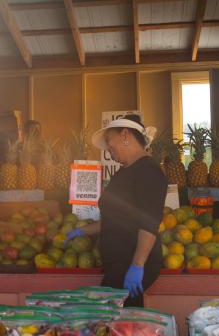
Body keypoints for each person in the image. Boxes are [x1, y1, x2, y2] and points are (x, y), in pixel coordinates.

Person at [66, 114, 168, 307]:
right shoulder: (124, 172)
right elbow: (117, 218)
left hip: (132, 263)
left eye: (108, 140)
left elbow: (149, 223)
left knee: (113, 318)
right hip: (119, 264)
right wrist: (81, 231)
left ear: (125, 134)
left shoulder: (149, 171)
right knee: (121, 321)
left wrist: (137, 266)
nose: (108, 148)